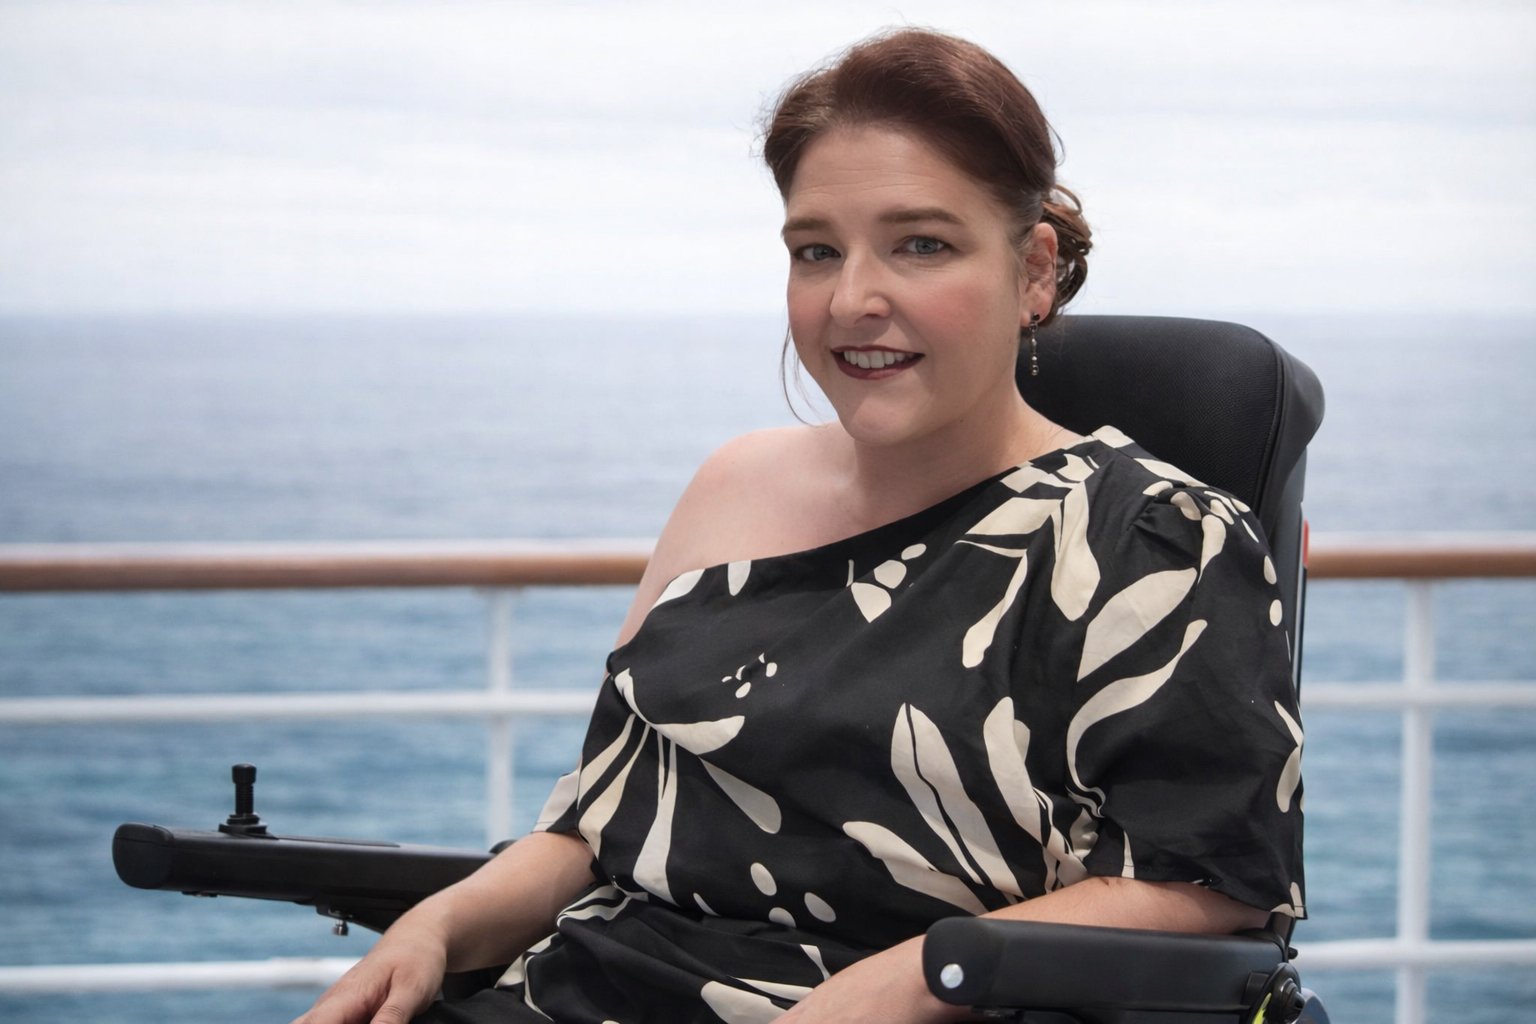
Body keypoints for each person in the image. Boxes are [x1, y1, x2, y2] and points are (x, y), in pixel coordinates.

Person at [295, 27, 1305, 1024]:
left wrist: (903, 982)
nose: (853, 298)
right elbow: (598, 824)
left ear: (1033, 270)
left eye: (921, 244)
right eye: (817, 250)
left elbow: (1206, 884)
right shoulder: (732, 483)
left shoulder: (1155, 537)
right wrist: (436, 927)